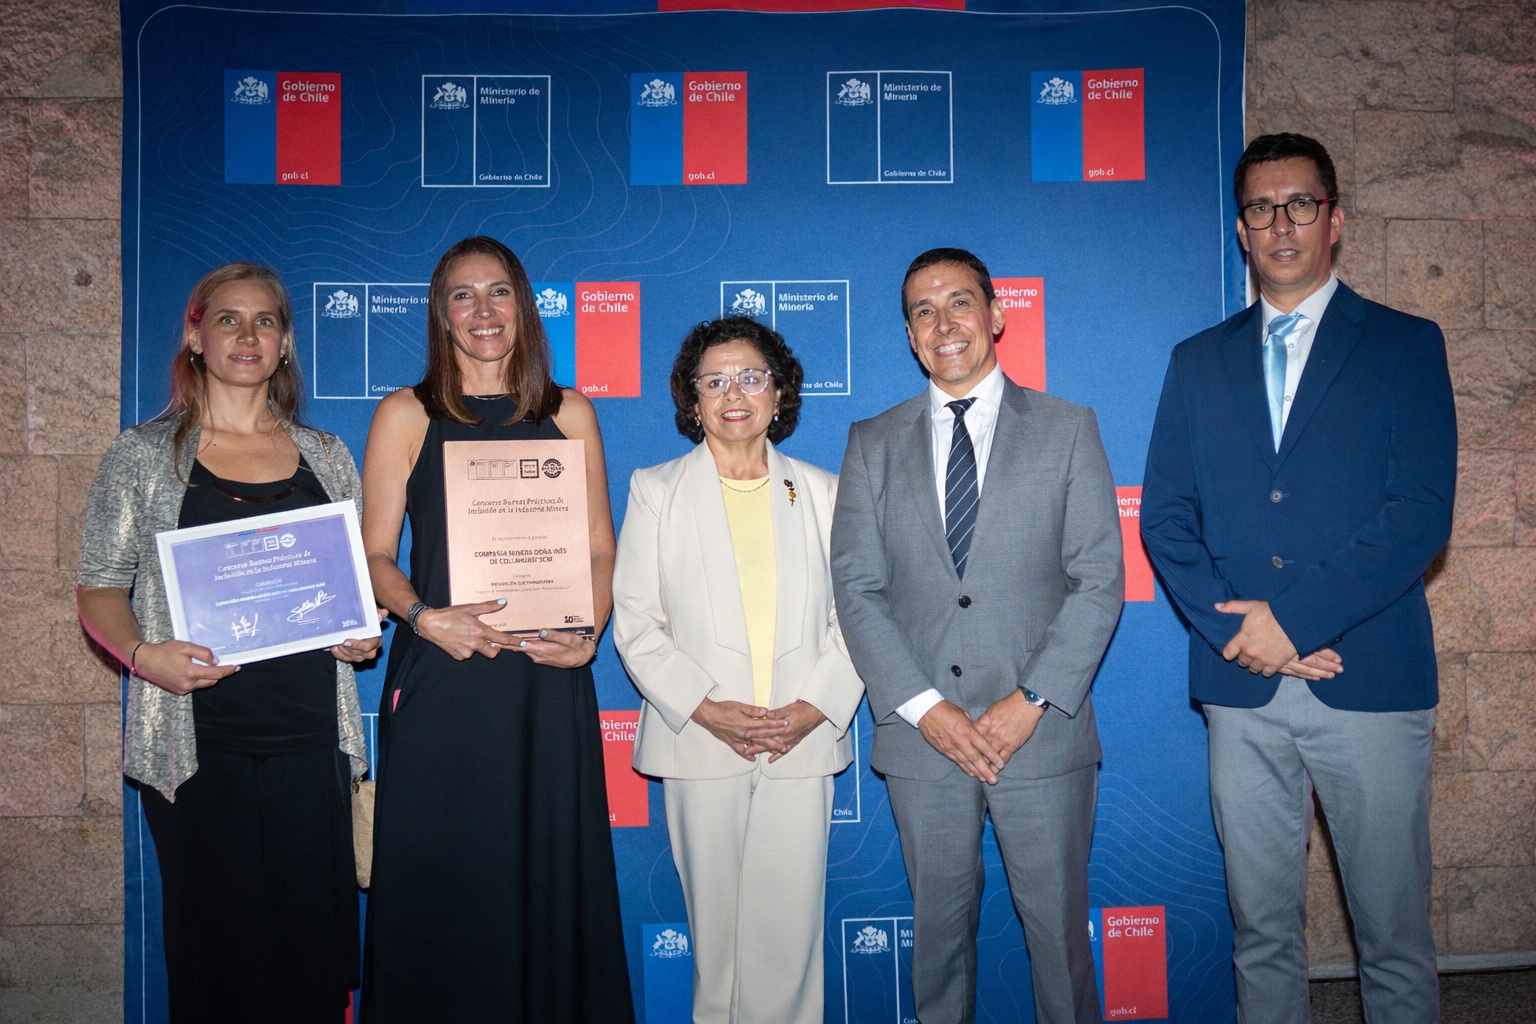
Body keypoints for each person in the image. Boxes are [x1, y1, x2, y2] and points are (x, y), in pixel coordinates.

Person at [1141, 133, 1454, 1023]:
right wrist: (1245, 634)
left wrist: (1295, 622)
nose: (1280, 224)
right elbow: (1166, 517)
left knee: (1393, 939)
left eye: (1300, 204)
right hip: (1242, 687)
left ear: (1335, 219)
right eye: (1260, 208)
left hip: (1372, 680)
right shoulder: (1197, 360)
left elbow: (1418, 515)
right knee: (1262, 935)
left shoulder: (1405, 345)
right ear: (1241, 230)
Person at [76, 263, 377, 1024]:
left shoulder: (327, 454)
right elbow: (99, 588)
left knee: (312, 973)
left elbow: (347, 585)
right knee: (218, 970)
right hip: (197, 751)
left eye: (265, 320)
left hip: (312, 744)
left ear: (285, 343)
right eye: (229, 319)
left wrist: (356, 632)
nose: (248, 335)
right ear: (195, 336)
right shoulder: (143, 454)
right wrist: (144, 656)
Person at [831, 248, 1124, 1024]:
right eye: (923, 312)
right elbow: (856, 590)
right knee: (937, 951)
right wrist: (925, 709)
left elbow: (1099, 580)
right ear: (909, 335)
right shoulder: (871, 442)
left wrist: (1030, 701)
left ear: (995, 315)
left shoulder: (1067, 428)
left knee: (1059, 946)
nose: (943, 323)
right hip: (923, 744)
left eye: (959, 302)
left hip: (1042, 737)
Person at [358, 235, 634, 1022]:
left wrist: (587, 634)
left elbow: (600, 547)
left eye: (499, 291)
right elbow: (374, 556)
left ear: (524, 306)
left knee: (548, 877)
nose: (484, 310)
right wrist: (423, 618)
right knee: (442, 883)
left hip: (545, 683)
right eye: (463, 295)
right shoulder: (407, 414)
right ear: (441, 314)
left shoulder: (569, 412)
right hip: (443, 679)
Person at [612, 318, 865, 1024]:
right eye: (714, 381)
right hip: (699, 743)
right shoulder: (656, 489)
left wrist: (813, 708)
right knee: (717, 948)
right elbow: (636, 621)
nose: (733, 394)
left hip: (800, 742)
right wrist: (706, 709)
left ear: (778, 394)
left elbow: (857, 620)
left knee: (789, 945)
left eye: (751, 377)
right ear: (692, 401)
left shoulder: (824, 491)